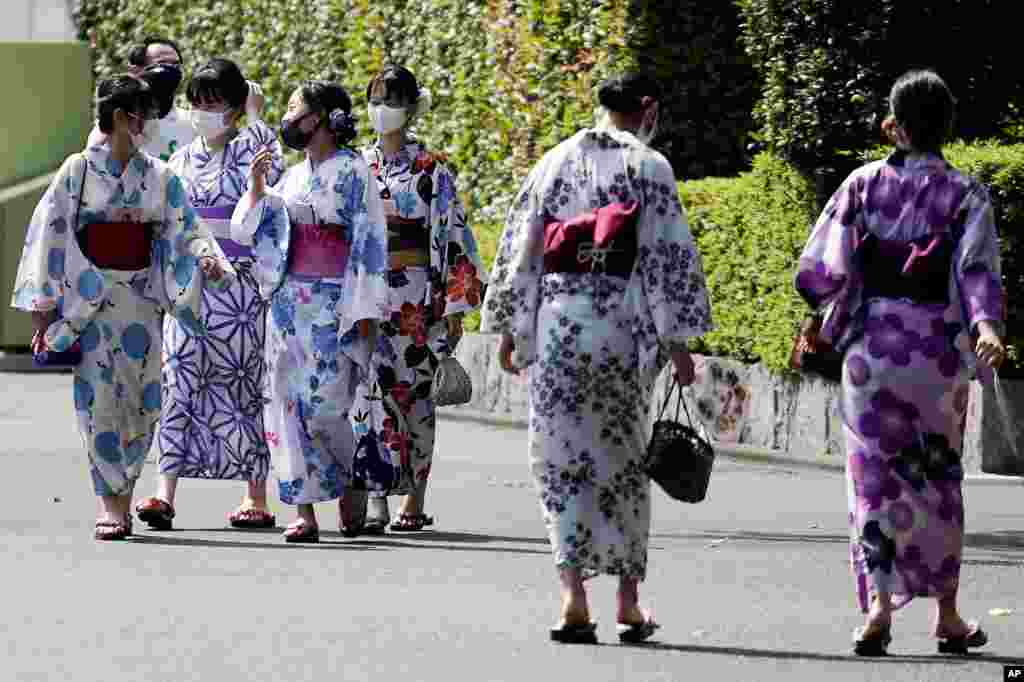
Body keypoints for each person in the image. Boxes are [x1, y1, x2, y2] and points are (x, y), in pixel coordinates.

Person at [480, 72, 713, 644]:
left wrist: (511, 327)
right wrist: (678, 343)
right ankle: (628, 602)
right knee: (624, 462)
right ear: (647, 108)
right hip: (620, 331)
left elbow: (522, 249)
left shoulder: (554, 162)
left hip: (558, 328)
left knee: (559, 460)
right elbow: (665, 259)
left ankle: (573, 598)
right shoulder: (649, 167)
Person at [794, 69, 1004, 656]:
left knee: (873, 482)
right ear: (948, 126)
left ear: (894, 125)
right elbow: (976, 270)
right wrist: (986, 327)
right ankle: (948, 615)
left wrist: (822, 316)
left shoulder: (862, 185)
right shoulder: (966, 194)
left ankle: (879, 611)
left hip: (872, 355)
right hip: (936, 357)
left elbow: (820, 272)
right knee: (938, 478)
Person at [11, 74, 233, 540]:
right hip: (91, 303)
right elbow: (50, 234)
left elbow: (184, 226)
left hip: (140, 300)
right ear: (119, 118)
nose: (150, 124)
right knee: (99, 405)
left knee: (142, 400)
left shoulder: (160, 175)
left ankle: (125, 494)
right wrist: (43, 311)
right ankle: (109, 504)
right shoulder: (78, 170)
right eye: (143, 116)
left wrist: (206, 257)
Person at [232, 80, 389, 543]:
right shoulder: (293, 175)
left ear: (318, 118)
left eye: (294, 108)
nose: (288, 118)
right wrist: (257, 188)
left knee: (327, 404)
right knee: (287, 403)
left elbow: (369, 241)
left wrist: (364, 307)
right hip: (287, 301)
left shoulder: (353, 170)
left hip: (334, 299)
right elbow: (249, 231)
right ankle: (303, 510)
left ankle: (348, 474)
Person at [135, 58, 285, 531]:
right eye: (197, 102)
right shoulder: (180, 158)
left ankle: (255, 494)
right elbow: (168, 218)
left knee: (244, 383)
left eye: (215, 102)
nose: (204, 111)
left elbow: (276, 186)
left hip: (240, 285)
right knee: (179, 378)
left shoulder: (251, 148)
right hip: (190, 282)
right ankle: (164, 490)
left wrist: (257, 117)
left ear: (236, 107)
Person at [355, 64, 486, 534]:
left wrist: (455, 305)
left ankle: (414, 498)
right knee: (370, 394)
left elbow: (452, 234)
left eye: (392, 100)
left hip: (417, 297)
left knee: (417, 398)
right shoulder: (358, 165)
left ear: (412, 108)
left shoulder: (432, 169)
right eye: (376, 100)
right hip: (368, 294)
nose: (382, 110)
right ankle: (375, 495)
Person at [87, 37, 195, 161]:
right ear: (135, 71)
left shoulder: (192, 123)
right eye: (162, 63)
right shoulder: (122, 120)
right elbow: (93, 158)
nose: (171, 69)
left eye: (176, 64)